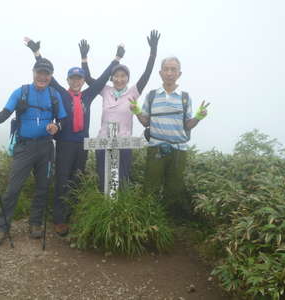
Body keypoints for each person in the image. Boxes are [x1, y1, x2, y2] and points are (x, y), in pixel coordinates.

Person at [24, 37, 125, 236]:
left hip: (82, 144)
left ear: (82, 80)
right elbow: (47, 76)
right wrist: (36, 53)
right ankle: (59, 220)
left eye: (79, 78)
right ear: (68, 80)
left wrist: (117, 58)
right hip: (64, 143)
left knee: (76, 180)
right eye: (73, 79)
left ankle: (73, 216)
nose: (76, 81)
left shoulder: (88, 95)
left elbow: (104, 78)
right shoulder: (61, 93)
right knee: (62, 180)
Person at [0, 58, 67, 245]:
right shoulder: (22, 92)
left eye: (46, 74)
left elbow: (63, 120)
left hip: (46, 147)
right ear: (33, 72)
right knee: (13, 188)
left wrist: (56, 127)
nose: (42, 77)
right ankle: (2, 227)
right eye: (39, 72)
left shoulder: (54, 95)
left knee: (42, 187)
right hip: (24, 147)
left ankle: (35, 224)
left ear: (50, 76)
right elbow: (6, 112)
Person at [82, 30, 160, 192]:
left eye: (123, 76)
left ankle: (120, 213)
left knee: (122, 181)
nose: (119, 79)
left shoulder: (133, 92)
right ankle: (105, 212)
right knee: (104, 181)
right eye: (116, 76)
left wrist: (153, 51)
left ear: (128, 78)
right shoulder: (105, 90)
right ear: (112, 78)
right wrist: (84, 58)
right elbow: (88, 78)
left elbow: (147, 74)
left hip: (124, 143)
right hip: (103, 142)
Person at [131, 56, 210, 217]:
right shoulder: (152, 96)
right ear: (160, 73)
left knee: (174, 188)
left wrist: (199, 117)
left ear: (179, 74)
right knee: (150, 185)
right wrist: (137, 112)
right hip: (156, 148)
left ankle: (169, 223)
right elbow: (146, 122)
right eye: (166, 69)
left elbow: (187, 125)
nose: (169, 73)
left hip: (179, 149)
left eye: (173, 69)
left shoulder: (185, 97)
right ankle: (149, 219)